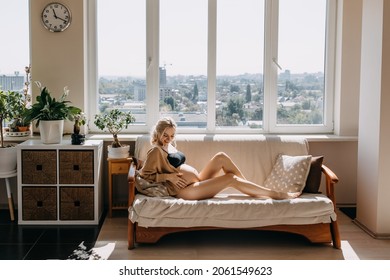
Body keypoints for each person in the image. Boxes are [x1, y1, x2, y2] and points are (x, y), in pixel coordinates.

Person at [136, 117, 300, 200]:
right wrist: (169, 177)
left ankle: (252, 189)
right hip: (184, 191)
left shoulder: (169, 145)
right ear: (157, 133)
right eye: (165, 135)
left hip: (195, 180)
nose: (168, 138)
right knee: (230, 179)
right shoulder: (155, 151)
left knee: (221, 157)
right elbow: (145, 176)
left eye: (171, 135)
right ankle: (276, 195)